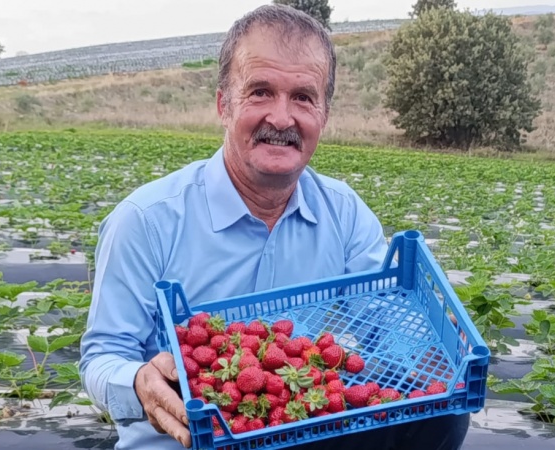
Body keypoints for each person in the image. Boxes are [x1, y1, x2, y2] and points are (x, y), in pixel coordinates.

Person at [79, 4, 471, 449]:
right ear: (224, 104)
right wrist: (138, 381)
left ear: (324, 114)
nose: (282, 118)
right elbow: (102, 357)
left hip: (304, 433)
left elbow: (385, 323)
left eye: (303, 97)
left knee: (445, 414)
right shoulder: (147, 219)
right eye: (260, 92)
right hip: (186, 443)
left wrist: (432, 348)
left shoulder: (343, 212)